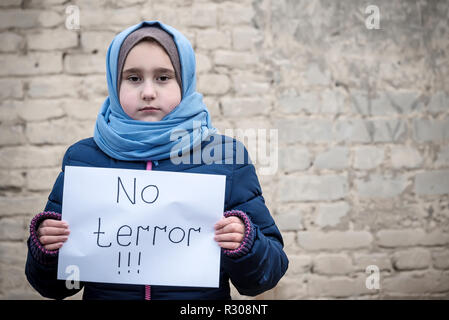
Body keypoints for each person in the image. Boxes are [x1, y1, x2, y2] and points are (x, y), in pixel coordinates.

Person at [25, 21, 288, 300]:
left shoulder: (226, 158)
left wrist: (246, 243)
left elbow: (264, 278)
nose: (148, 92)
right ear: (115, 84)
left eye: (163, 77)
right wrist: (47, 249)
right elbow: (52, 288)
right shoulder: (83, 159)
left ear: (184, 81)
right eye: (133, 78)